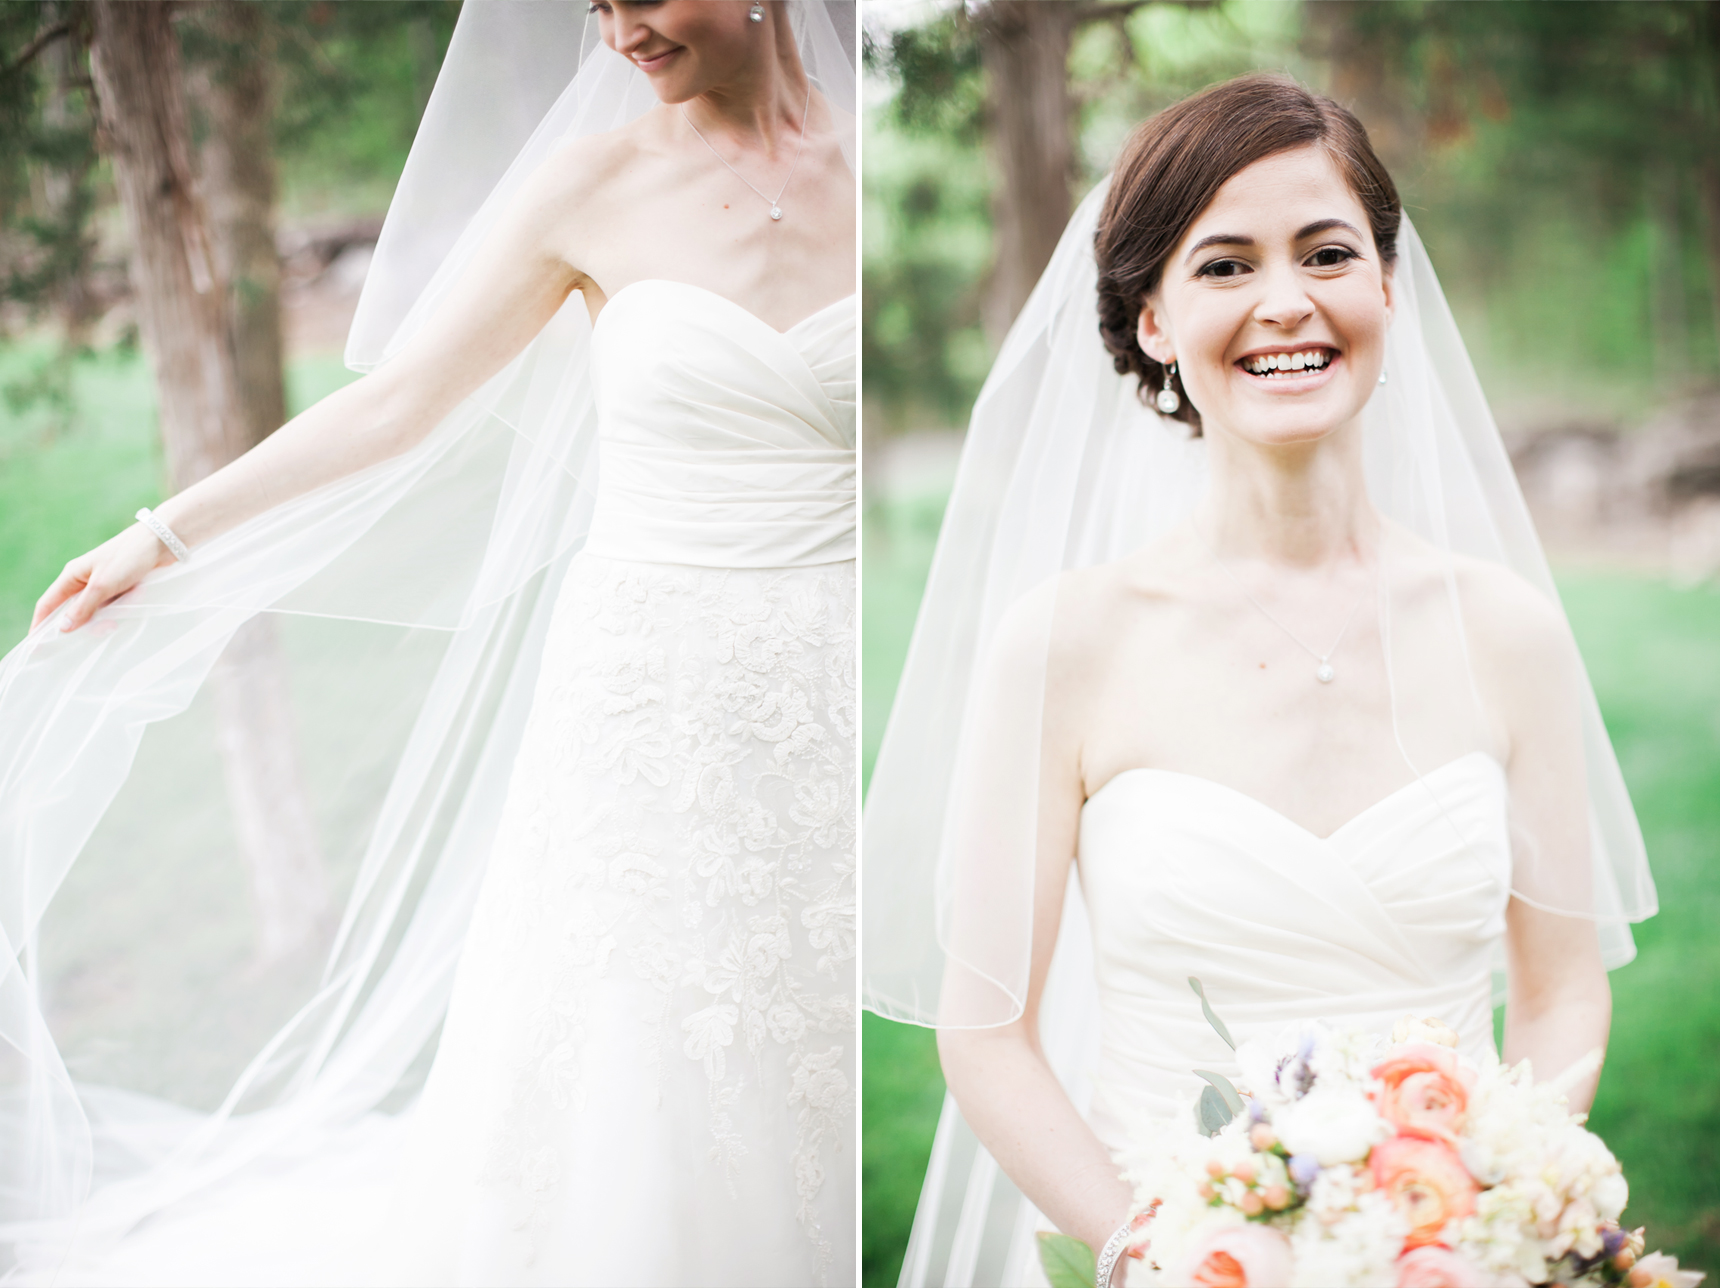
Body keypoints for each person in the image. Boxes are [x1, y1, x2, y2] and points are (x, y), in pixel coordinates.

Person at [1, 3, 856, 1285]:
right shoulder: (590, 185)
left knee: (808, 1025)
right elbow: (397, 403)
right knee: (649, 1040)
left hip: (834, 681)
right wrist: (163, 537)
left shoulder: (872, 170)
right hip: (648, 698)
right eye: (595, 5)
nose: (618, 28)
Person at [862, 73, 1655, 1287]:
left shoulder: (1506, 632)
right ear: (1150, 321)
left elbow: (1558, 1003)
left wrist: (1478, 1210)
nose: (1285, 302)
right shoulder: (1063, 644)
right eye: (1224, 265)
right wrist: (1164, 1250)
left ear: (1388, 288)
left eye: (1325, 253)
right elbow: (987, 1034)